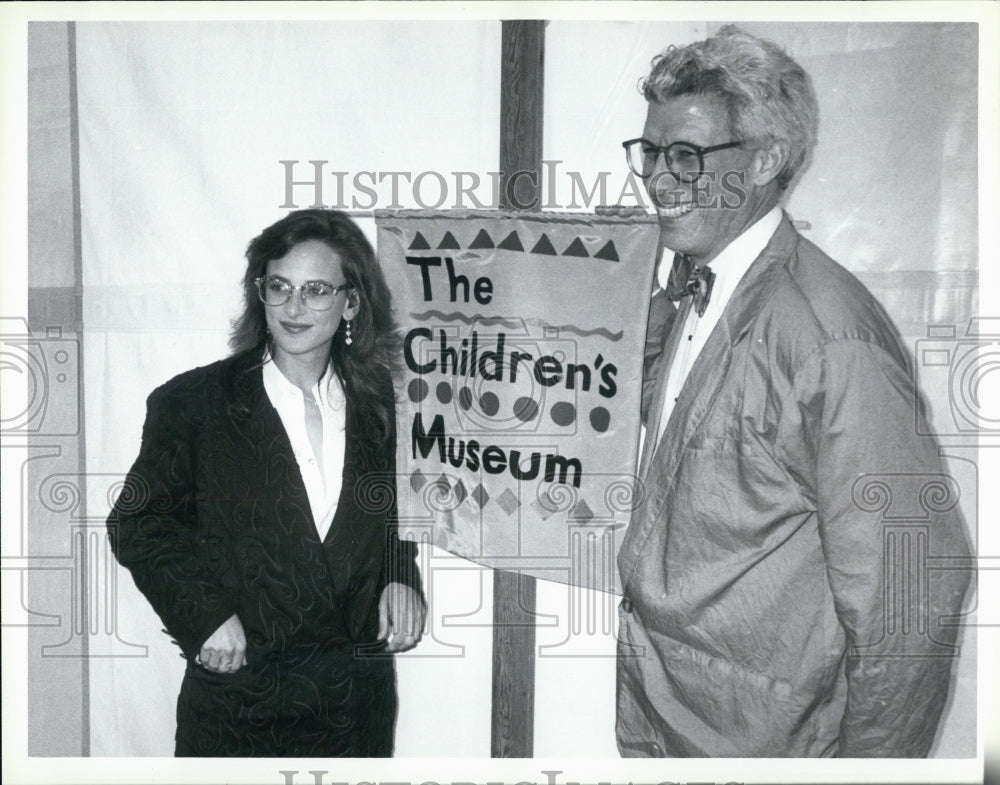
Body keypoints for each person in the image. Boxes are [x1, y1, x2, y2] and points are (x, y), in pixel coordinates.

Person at [616, 27, 972, 757]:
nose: (657, 179)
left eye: (685, 156)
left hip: (768, 746)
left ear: (765, 161)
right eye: (650, 152)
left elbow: (910, 600)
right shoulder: (700, 285)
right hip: (665, 721)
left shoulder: (829, 339)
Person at [107, 209, 425, 757]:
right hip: (239, 704)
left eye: (316, 290)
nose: (293, 308)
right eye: (279, 287)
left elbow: (395, 509)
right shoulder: (194, 404)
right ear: (261, 293)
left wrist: (400, 574)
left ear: (352, 303)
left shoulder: (383, 408)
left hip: (352, 707)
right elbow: (138, 523)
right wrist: (203, 615)